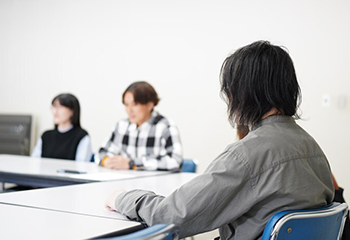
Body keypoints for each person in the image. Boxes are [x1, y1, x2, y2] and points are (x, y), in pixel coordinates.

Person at [105, 41, 334, 239]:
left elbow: (171, 215)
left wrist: (123, 198)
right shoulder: (314, 149)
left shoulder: (246, 156)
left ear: (244, 93)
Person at [97, 81, 182, 170]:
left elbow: (175, 161)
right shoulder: (121, 126)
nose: (129, 110)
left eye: (135, 105)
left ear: (150, 105)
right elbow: (101, 152)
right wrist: (107, 161)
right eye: (126, 105)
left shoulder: (165, 127)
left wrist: (132, 164)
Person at [32, 93, 92, 162]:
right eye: (54, 106)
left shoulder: (82, 136)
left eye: (60, 107)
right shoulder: (46, 136)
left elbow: (82, 165)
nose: (55, 111)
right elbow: (35, 161)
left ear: (72, 111)